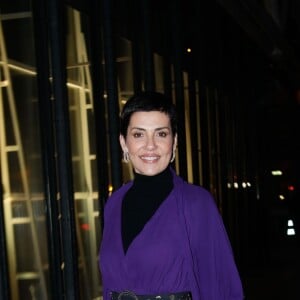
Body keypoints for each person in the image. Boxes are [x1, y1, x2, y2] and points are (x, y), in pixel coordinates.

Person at [99, 91, 244, 300]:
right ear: (124, 143)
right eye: (138, 134)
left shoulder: (196, 203)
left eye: (161, 134)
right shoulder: (114, 203)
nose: (150, 145)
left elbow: (221, 282)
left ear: (174, 142)